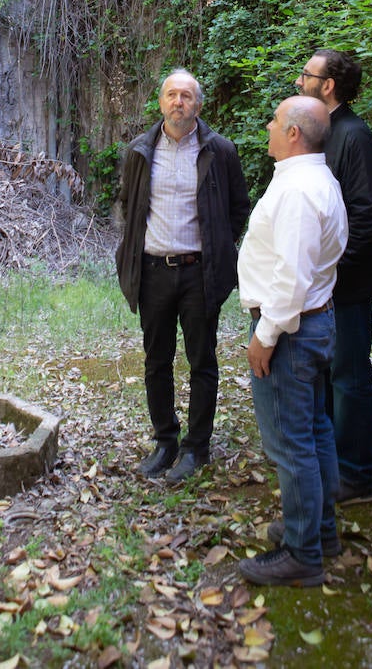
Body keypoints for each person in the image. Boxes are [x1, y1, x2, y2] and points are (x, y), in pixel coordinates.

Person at [116, 69, 250, 484]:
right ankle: (165, 442)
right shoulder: (140, 151)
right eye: (172, 95)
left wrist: (218, 247)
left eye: (186, 96)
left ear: (198, 104)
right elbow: (129, 204)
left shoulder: (220, 150)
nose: (178, 102)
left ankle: (196, 447)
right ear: (160, 102)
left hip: (199, 273)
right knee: (157, 361)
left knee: (201, 360)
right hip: (154, 271)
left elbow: (238, 209)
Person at [237, 95, 348, 587]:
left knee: (291, 444)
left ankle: (303, 555)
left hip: (291, 332)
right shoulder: (316, 179)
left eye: (275, 120)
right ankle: (320, 531)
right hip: (312, 324)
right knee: (316, 430)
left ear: (294, 133)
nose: (268, 125)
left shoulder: (300, 191)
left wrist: (264, 336)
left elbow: (291, 279)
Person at [295, 49, 372, 504]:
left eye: (306, 75)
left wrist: (331, 271)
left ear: (328, 85)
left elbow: (368, 217)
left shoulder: (354, 136)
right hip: (323, 287)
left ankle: (358, 474)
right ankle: (334, 467)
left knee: (349, 379)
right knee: (328, 377)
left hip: (346, 287)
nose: (299, 81)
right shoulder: (324, 132)